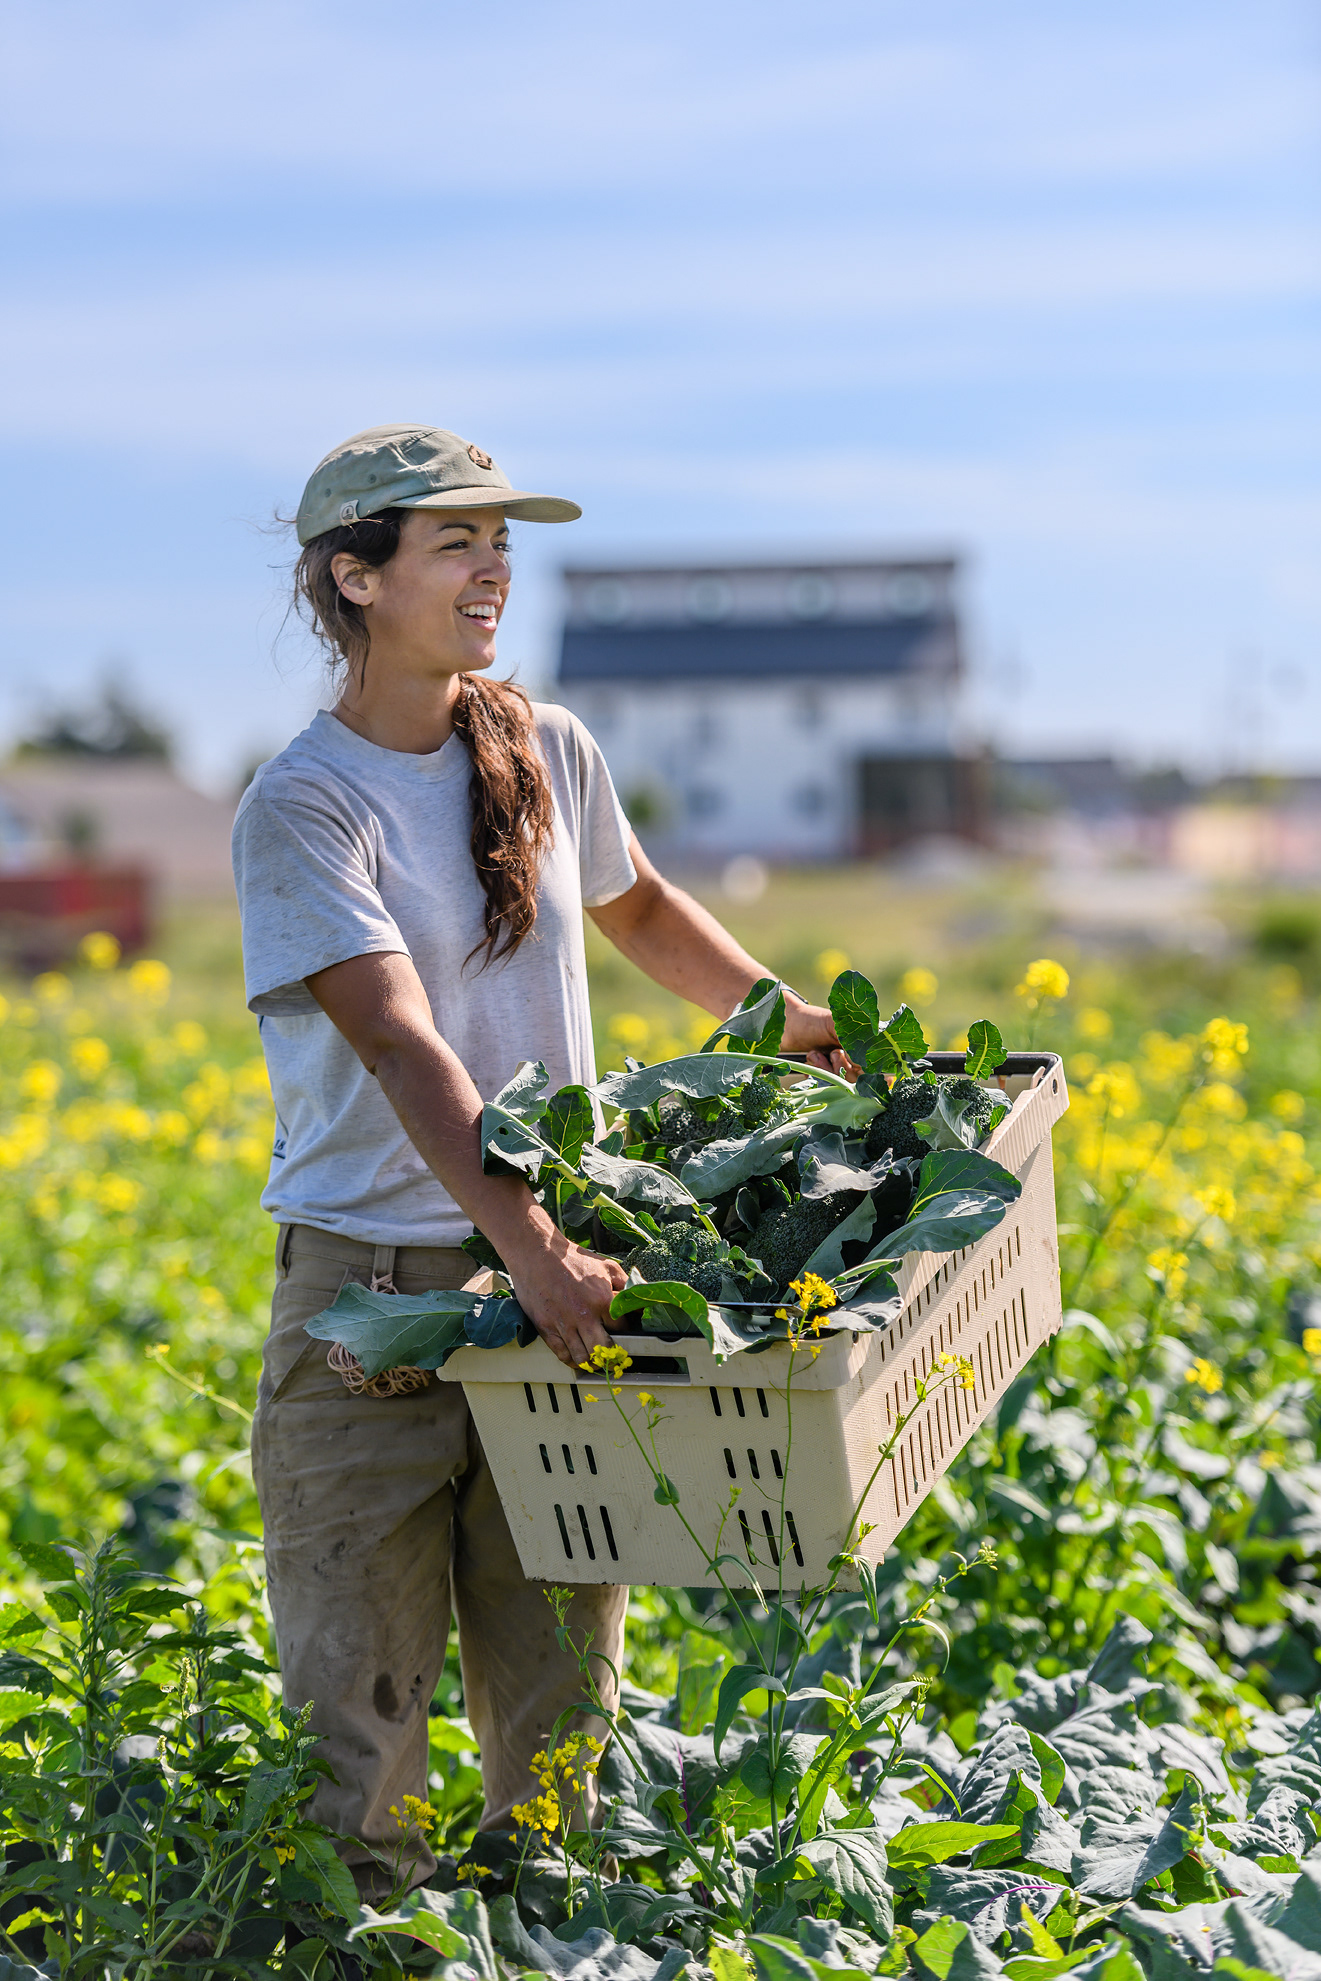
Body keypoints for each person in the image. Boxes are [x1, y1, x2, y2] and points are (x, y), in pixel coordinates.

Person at [231, 423, 849, 1892]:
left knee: (566, 1721)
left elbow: (640, 910)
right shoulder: (304, 805)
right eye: (456, 542)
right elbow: (402, 1045)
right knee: (356, 1735)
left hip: (555, 1286)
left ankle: (546, 1943)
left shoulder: (546, 748)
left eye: (502, 543)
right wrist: (536, 1251)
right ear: (355, 576)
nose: (494, 570)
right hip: (375, 1307)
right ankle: (374, 1951)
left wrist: (791, 1021)